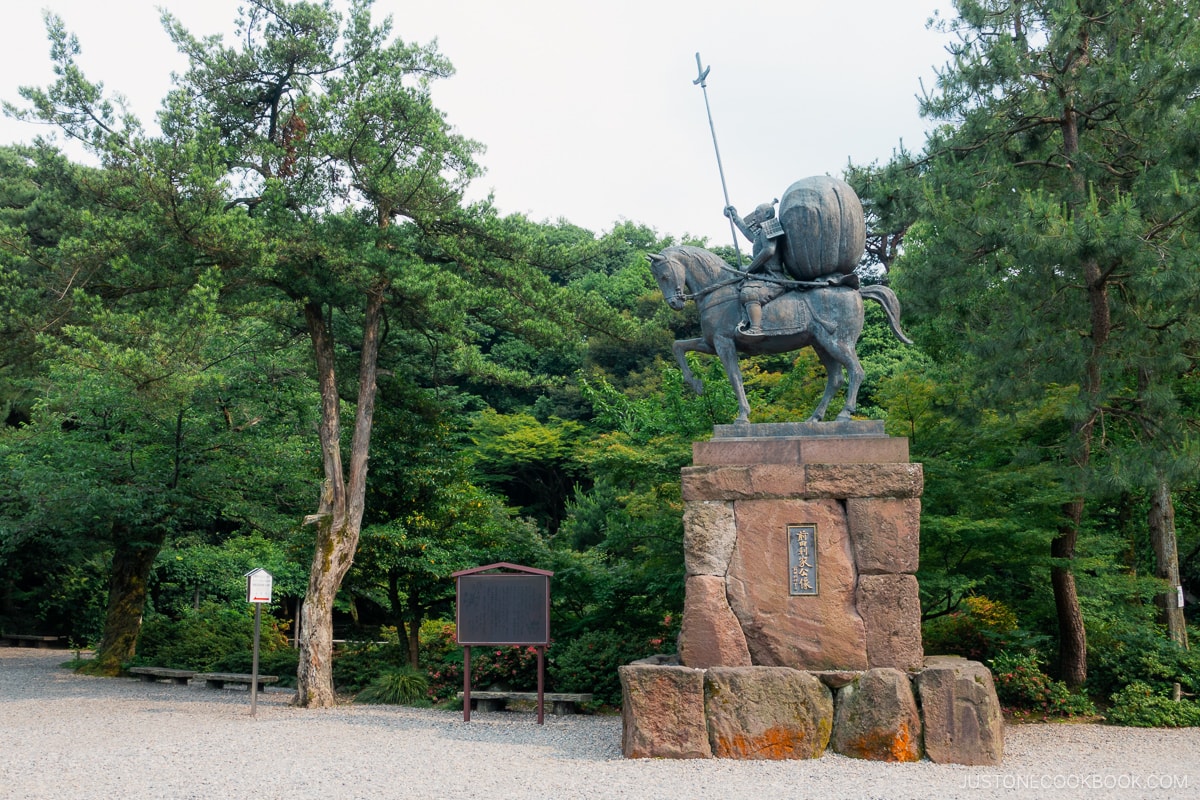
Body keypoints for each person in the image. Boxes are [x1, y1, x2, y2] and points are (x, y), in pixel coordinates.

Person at [725, 200, 788, 335]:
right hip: (762, 276)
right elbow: (749, 235)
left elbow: (769, 251)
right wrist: (734, 217)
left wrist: (749, 268)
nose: (754, 217)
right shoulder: (761, 232)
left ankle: (756, 328)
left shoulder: (769, 228)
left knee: (749, 293)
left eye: (757, 213)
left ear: (767, 214)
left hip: (773, 278)